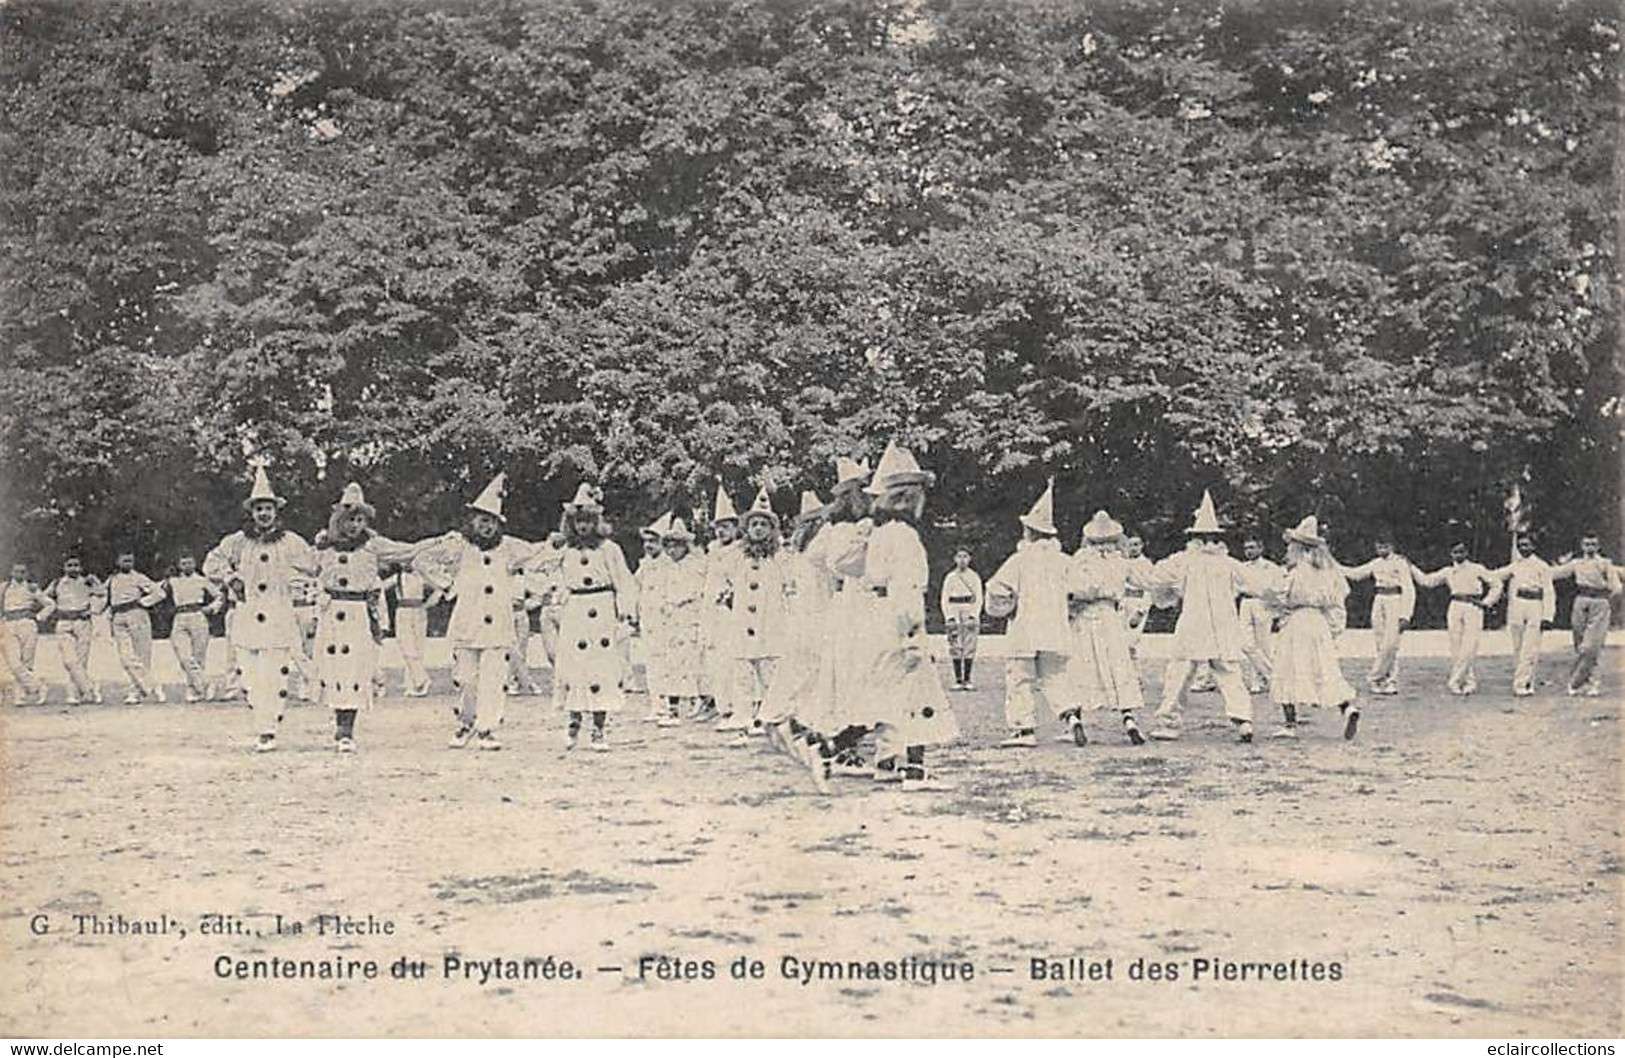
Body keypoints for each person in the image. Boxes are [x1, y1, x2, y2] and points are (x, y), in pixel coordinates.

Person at [412, 474, 549, 751]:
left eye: (493, 521)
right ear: (472, 520)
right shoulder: (460, 546)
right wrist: (448, 585)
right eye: (482, 520)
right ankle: (466, 722)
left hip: (498, 624)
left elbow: (538, 554)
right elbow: (422, 559)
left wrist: (557, 543)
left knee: (494, 678)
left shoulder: (508, 547)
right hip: (467, 622)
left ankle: (487, 729)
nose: (487, 526)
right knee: (466, 678)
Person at [857, 442, 959, 790]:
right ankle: (916, 770)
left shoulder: (880, 534)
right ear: (907, 498)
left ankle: (885, 761)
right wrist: (914, 636)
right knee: (918, 692)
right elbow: (907, 589)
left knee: (888, 691)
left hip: (876, 619)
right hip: (900, 620)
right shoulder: (905, 537)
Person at [203, 467, 318, 752]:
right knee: (250, 675)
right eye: (259, 509)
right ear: (251, 513)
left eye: (268, 509)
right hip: (247, 614)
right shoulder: (238, 542)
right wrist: (230, 577)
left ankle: (268, 730)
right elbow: (211, 562)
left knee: (273, 673)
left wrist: (300, 578)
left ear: (276, 512)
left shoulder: (290, 541)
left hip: (278, 613)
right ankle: (261, 722)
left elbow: (313, 565)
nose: (263, 514)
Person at [1147, 490, 1263, 743]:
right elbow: (1257, 585)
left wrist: (1169, 598)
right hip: (1223, 625)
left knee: (1179, 673)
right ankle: (1243, 720)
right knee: (1229, 672)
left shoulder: (1183, 561)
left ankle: (1168, 722)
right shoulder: (1229, 563)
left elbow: (1157, 580)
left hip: (1193, 624)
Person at [535, 484, 638, 751]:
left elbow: (624, 580)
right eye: (577, 521)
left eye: (587, 521)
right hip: (576, 610)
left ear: (596, 522)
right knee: (575, 667)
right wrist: (552, 547)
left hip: (602, 608)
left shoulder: (609, 549)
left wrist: (625, 610)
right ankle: (573, 722)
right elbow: (539, 568)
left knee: (601, 667)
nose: (582, 526)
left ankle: (599, 729)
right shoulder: (564, 549)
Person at [985, 480, 1079, 748]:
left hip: (1025, 629)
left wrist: (1007, 607)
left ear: (1029, 532)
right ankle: (1071, 716)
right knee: (1054, 676)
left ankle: (1024, 729)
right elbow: (1081, 588)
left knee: (1020, 678)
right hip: (1055, 629)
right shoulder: (1064, 561)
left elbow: (997, 587)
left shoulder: (1021, 559)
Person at [760, 490, 834, 789]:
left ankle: (788, 722)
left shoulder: (800, 552)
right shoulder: (820, 549)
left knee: (800, 677)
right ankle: (809, 733)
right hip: (821, 619)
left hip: (802, 620)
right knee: (817, 680)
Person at [808, 456, 876, 779]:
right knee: (852, 675)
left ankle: (842, 743)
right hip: (855, 604)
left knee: (851, 674)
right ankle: (845, 749)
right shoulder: (851, 528)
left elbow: (817, 557)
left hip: (850, 602)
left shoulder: (833, 527)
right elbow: (829, 560)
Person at [1265, 517, 1360, 740]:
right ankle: (1347, 707)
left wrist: (1275, 608)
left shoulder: (1296, 570)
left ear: (1299, 546)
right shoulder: (1327, 570)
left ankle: (1289, 724)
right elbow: (1339, 597)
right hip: (1318, 622)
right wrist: (1334, 627)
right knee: (1324, 667)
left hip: (1298, 620)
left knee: (1286, 668)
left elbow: (1281, 595)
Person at [716, 487, 792, 746]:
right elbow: (726, 582)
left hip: (770, 623)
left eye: (763, 524)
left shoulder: (781, 557)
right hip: (742, 624)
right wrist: (727, 596)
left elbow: (790, 587)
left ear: (772, 529)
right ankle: (745, 720)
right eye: (754, 524)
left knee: (771, 673)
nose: (758, 529)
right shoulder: (737, 557)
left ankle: (771, 722)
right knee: (742, 675)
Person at [1066, 511, 1148, 745]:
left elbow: (1076, 588)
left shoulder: (1081, 559)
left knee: (1080, 665)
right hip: (1110, 615)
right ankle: (1128, 718)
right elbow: (1144, 580)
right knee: (1118, 665)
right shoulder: (1120, 561)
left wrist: (1071, 602)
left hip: (1085, 615)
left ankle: (1075, 719)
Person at [1411, 542, 1501, 696]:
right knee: (1456, 645)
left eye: (1461, 552)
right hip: (1455, 606)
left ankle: (1455, 680)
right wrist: (1411, 567)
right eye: (1455, 552)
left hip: (1474, 606)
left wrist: (1487, 602)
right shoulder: (1448, 571)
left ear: (1466, 552)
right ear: (1450, 554)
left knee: (1470, 645)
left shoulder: (1477, 568)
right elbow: (1427, 581)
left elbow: (1496, 584)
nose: (1458, 555)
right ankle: (1468, 682)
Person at [1338, 532, 1416, 695]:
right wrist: (1333, 565)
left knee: (1391, 643)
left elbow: (1409, 589)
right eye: (1379, 546)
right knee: (1380, 643)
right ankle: (1382, 681)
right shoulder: (1376, 563)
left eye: (1385, 546)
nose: (1382, 549)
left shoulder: (1400, 563)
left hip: (1395, 599)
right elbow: (1356, 574)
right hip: (1379, 600)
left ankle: (1382, 678)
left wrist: (1405, 615)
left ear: (1392, 547)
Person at [647, 514, 704, 728]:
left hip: (690, 617)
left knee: (689, 662)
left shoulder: (695, 565)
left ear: (685, 546)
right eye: (668, 547)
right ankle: (671, 708)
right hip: (670, 619)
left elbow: (696, 590)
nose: (672, 551)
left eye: (676, 547)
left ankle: (695, 701)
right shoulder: (664, 567)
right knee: (670, 663)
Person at [1550, 534, 1622, 696]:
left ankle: (1579, 682)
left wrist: (1606, 601)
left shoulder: (1605, 564)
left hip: (1600, 602)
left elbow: (1616, 588)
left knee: (1592, 646)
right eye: (1587, 544)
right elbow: (1555, 574)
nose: (1590, 547)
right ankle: (1587, 682)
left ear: (1597, 547)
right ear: (1582, 546)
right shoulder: (1576, 563)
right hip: (1581, 601)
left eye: (1593, 544)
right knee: (1580, 644)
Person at [1484, 535, 1556, 698]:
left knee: (1530, 647)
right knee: (1518, 646)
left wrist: (1548, 616)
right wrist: (1479, 572)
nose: (1523, 548)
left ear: (1533, 546)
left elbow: (1549, 592)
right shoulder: (1515, 566)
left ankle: (1522, 683)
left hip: (1535, 606)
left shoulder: (1542, 566)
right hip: (1517, 606)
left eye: (1527, 545)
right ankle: (1525, 681)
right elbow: (1496, 574)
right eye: (1520, 545)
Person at [701, 485, 743, 727]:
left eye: (726, 526)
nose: (721, 531)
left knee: (732, 659)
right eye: (718, 527)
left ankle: (736, 708)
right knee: (715, 660)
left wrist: (730, 595)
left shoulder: (740, 551)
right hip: (713, 610)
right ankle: (722, 707)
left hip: (732, 610)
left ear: (735, 528)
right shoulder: (713, 551)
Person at [39, 557, 105, 704]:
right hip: (63, 623)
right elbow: (43, 597)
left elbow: (102, 595)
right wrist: (51, 609)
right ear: (64, 567)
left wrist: (94, 609)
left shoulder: (87, 581)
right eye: (70, 565)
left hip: (83, 623)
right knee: (69, 660)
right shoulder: (57, 583)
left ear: (81, 567)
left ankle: (74, 694)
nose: (73, 568)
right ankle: (89, 688)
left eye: (76, 565)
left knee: (82, 660)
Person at [105, 552, 166, 704]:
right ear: (117, 561)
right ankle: (153, 685)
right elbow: (103, 596)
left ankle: (135, 693)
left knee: (142, 655)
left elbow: (159, 593)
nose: (128, 563)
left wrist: (143, 602)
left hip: (136, 615)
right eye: (124, 560)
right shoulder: (112, 579)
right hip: (118, 617)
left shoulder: (139, 577)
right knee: (126, 657)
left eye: (130, 561)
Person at [165, 552, 221, 702]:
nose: (187, 566)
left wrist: (211, 608)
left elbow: (219, 596)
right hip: (180, 617)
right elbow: (158, 590)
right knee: (183, 655)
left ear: (195, 564)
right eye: (184, 563)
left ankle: (194, 690)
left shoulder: (202, 580)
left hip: (197, 615)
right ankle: (206, 684)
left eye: (190, 563)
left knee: (198, 656)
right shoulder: (173, 581)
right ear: (179, 565)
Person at [633, 515, 670, 721]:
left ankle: (667, 705)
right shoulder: (645, 565)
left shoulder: (669, 565)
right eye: (646, 542)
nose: (649, 546)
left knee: (665, 662)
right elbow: (635, 587)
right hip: (648, 619)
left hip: (667, 619)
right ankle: (656, 704)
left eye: (654, 541)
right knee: (651, 662)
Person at [1237, 536, 1281, 693]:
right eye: (1246, 548)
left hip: (1262, 603)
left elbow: (1278, 587)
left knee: (1263, 644)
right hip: (1245, 603)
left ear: (1260, 549)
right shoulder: (1241, 567)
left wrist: (1275, 608)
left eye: (1252, 547)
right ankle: (1272, 676)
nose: (1248, 551)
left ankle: (1258, 682)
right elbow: (1235, 587)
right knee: (1245, 644)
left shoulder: (1270, 568)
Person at [388, 567, 440, 697]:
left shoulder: (422, 576)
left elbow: (441, 588)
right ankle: (416, 681)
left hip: (418, 611)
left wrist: (428, 604)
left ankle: (418, 683)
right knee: (406, 645)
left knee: (417, 647)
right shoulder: (398, 577)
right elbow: (379, 586)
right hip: (403, 610)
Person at [1, 563, 46, 704]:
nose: (20, 574)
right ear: (11, 572)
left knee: (27, 661)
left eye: (23, 572)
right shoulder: (3, 587)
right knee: (13, 662)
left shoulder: (31, 588)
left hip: (27, 624)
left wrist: (39, 617)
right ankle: (38, 687)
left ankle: (20, 695)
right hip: (9, 624)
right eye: (17, 571)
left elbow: (50, 604)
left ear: (26, 574)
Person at [940, 548, 984, 691]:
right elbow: (944, 598)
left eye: (965, 556)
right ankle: (958, 679)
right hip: (954, 608)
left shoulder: (974, 577)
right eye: (959, 556)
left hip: (969, 607)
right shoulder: (950, 577)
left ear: (970, 559)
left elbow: (979, 597)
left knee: (969, 645)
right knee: (955, 645)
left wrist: (973, 615)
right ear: (954, 559)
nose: (962, 559)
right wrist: (949, 617)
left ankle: (968, 679)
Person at [1120, 535, 1155, 657]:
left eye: (1136, 545)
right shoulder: (1122, 563)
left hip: (1137, 602)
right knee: (1118, 640)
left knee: (1132, 640)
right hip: (1123, 603)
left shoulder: (1146, 564)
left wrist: (1141, 610)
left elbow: (1150, 588)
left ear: (1141, 546)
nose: (1133, 548)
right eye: (1130, 545)